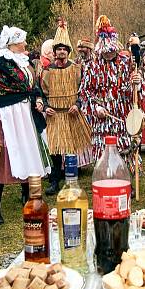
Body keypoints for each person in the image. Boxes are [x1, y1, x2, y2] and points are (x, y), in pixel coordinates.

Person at [0, 25, 51, 224]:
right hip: (7, 114)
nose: (26, 44)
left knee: (28, 153)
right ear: (13, 43)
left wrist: (38, 99)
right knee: (4, 157)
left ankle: (27, 197)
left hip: (25, 114)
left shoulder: (24, 61)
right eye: (23, 40)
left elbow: (32, 87)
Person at [79, 15, 140, 165]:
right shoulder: (91, 67)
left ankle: (126, 183)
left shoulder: (126, 64)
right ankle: (105, 181)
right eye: (105, 52)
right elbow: (85, 93)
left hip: (123, 116)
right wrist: (96, 107)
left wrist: (136, 84)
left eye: (111, 51)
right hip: (102, 120)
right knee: (103, 151)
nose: (109, 54)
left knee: (125, 148)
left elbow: (136, 92)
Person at [40, 19, 91, 195]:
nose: (61, 52)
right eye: (58, 49)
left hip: (71, 114)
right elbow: (41, 92)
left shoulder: (76, 69)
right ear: (54, 52)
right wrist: (46, 106)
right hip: (55, 115)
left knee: (71, 151)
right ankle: (55, 181)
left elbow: (84, 91)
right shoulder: (47, 71)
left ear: (68, 51)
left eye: (64, 49)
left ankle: (72, 181)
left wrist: (77, 104)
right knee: (55, 151)